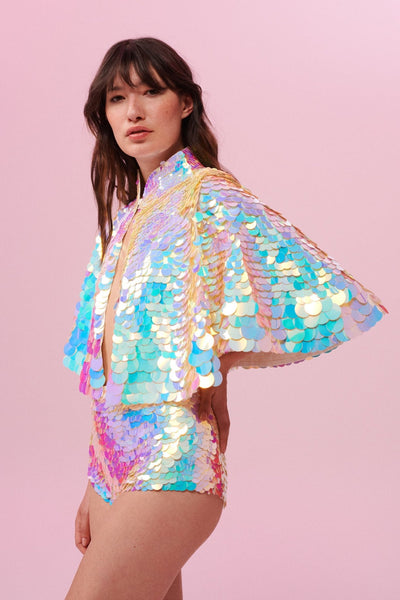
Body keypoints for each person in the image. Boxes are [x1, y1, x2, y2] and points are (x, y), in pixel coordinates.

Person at [63, 37, 388, 599]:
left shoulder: (208, 197)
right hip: (113, 465)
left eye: (150, 92)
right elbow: (109, 367)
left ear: (185, 103)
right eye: (117, 98)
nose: (133, 111)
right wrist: (96, 478)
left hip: (171, 459)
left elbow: (317, 291)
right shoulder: (127, 219)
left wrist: (217, 368)